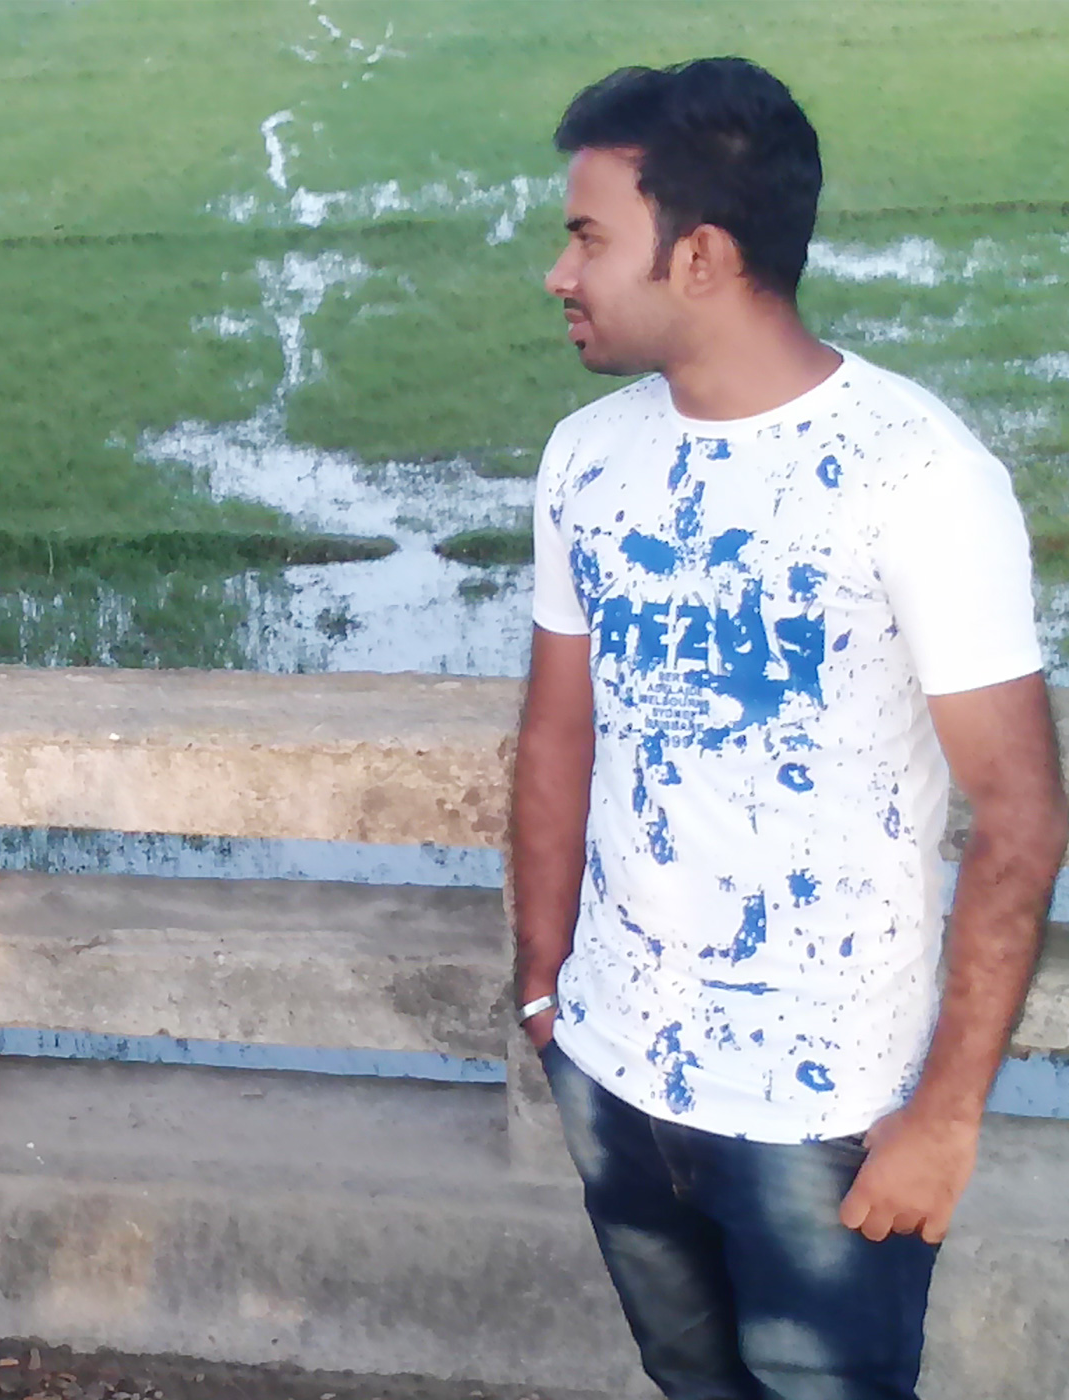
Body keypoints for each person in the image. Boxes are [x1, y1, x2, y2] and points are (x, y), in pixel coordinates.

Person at [510, 56, 1067, 1400]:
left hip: (824, 1114)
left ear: (699, 255)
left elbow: (1021, 815)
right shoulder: (587, 455)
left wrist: (943, 1120)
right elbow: (558, 735)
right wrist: (544, 991)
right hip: (613, 1070)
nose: (560, 273)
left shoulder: (917, 476)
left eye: (590, 237)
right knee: (688, 1380)